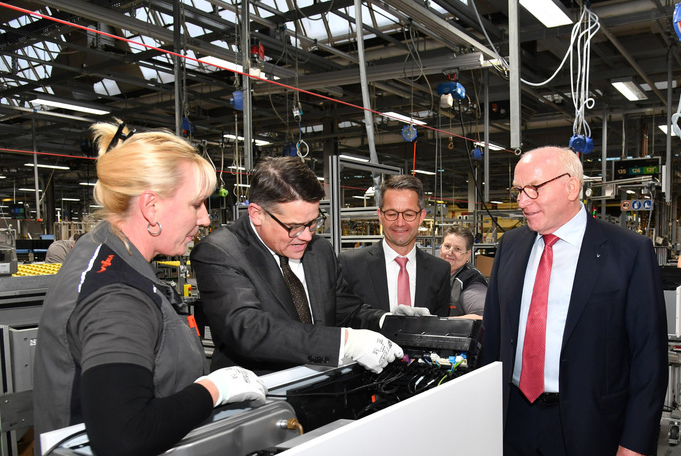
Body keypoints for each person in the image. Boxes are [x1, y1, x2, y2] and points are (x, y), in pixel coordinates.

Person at [33, 120, 267, 456]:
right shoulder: (116, 296)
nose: (205, 219)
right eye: (196, 204)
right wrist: (214, 390)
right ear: (151, 207)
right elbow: (124, 436)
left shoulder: (107, 252)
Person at [480, 146, 668, 456]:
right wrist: (485, 417)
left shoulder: (626, 250)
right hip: (518, 420)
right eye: (518, 190)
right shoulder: (511, 246)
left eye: (532, 189)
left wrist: (637, 439)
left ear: (571, 185)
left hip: (589, 424)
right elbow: (494, 340)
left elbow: (648, 351)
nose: (522, 200)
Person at [191, 156, 406, 376]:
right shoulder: (220, 252)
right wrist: (346, 342)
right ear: (257, 214)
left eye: (312, 223)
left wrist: (388, 320)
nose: (305, 236)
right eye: (293, 226)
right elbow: (247, 330)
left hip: (321, 391)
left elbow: (347, 311)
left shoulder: (319, 250)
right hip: (263, 399)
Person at [337, 174, 451, 316]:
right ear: (380, 216)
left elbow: (439, 328)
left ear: (421, 217)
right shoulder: (351, 265)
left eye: (408, 214)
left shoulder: (439, 270)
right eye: (391, 214)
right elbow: (342, 318)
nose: (400, 223)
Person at [439, 225, 487, 317]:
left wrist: (440, 323)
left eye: (458, 249)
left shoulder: (470, 281)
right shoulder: (435, 272)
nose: (450, 252)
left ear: (468, 254)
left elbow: (483, 317)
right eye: (447, 246)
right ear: (441, 247)